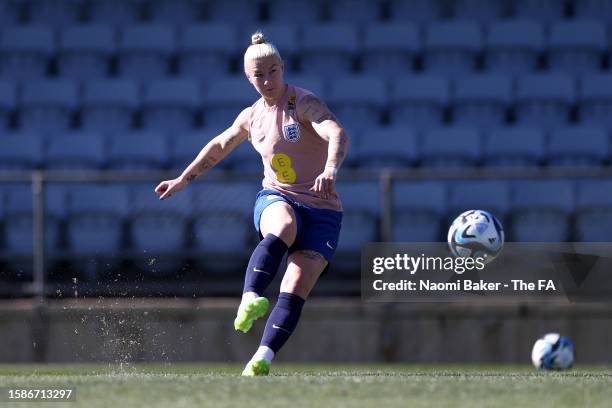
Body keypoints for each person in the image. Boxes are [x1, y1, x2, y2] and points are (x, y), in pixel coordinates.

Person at [154, 31, 349, 376]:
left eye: (272, 71)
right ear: (248, 78)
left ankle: (262, 357)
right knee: (284, 225)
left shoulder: (302, 103)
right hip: (278, 196)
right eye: (259, 75)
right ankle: (249, 297)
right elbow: (219, 146)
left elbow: (335, 132)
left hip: (323, 210)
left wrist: (331, 168)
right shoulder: (251, 116)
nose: (267, 80)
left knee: (297, 284)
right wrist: (182, 179)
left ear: (282, 68)